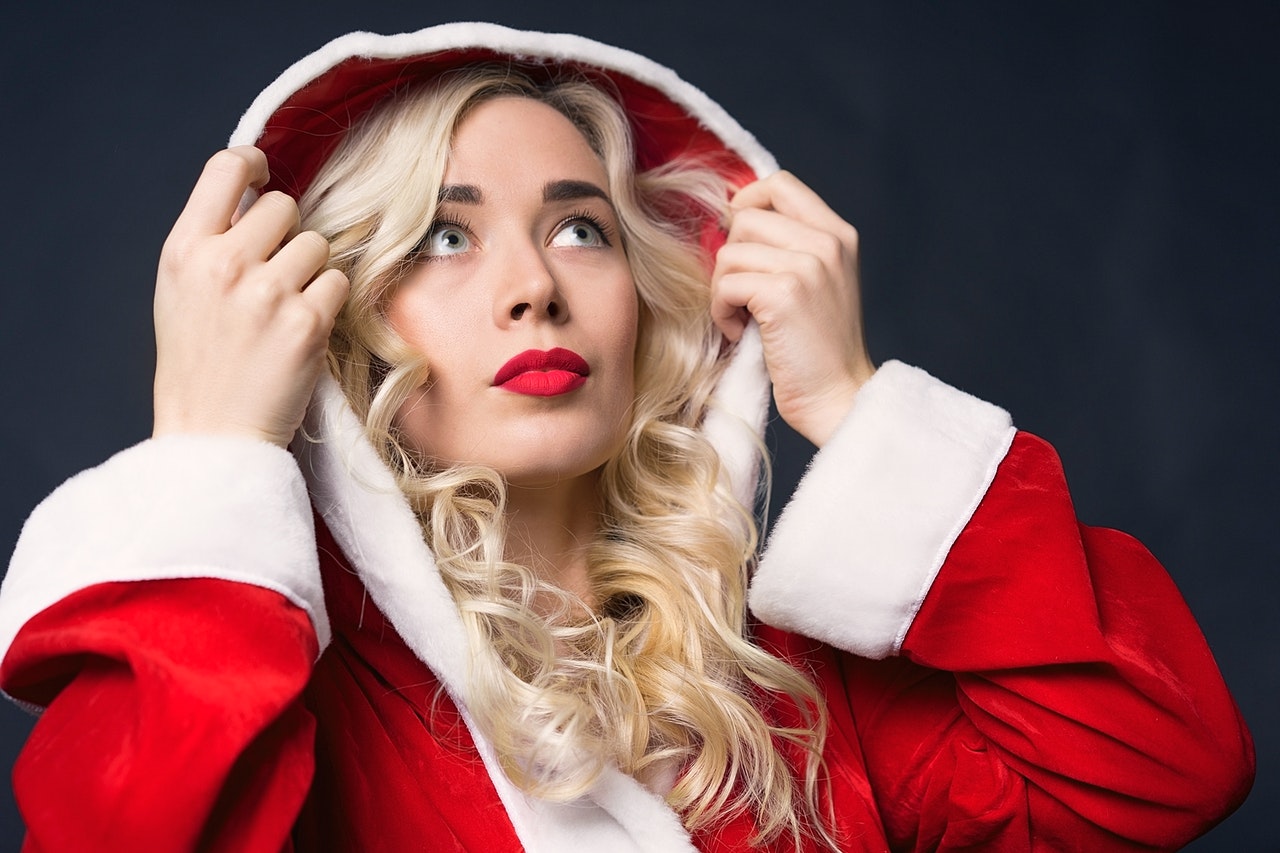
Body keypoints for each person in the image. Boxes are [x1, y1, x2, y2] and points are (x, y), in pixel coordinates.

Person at [0, 22, 1254, 852]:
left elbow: (1160, 768)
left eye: (579, 228)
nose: (532, 287)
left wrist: (852, 402)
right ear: (336, 324)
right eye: (444, 236)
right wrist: (210, 451)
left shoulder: (791, 701)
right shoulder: (288, 712)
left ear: (652, 305)